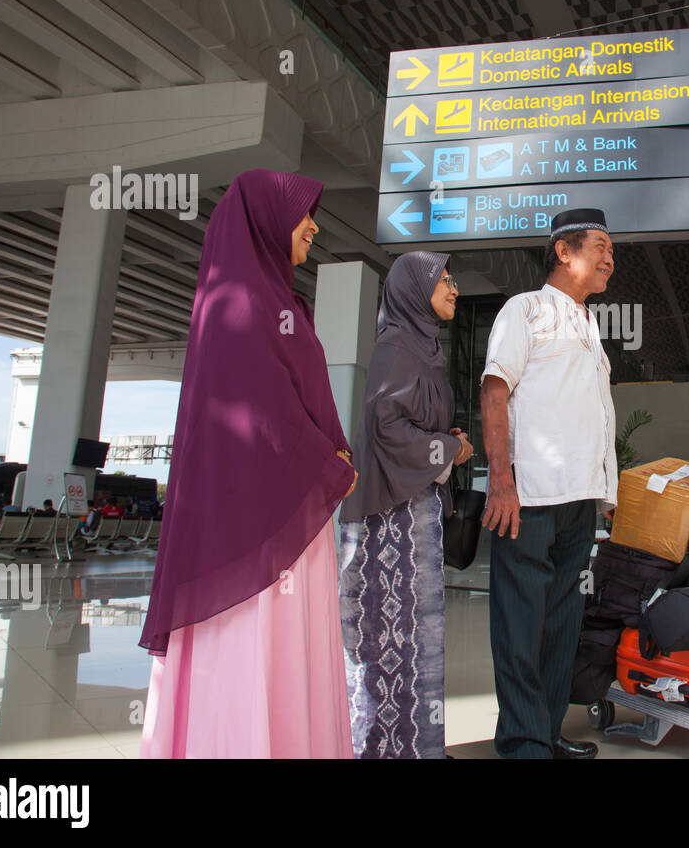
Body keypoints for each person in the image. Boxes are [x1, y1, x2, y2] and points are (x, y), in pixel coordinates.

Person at [138, 169, 357, 759]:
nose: (313, 226)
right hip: (256, 521)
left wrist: (327, 461)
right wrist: (328, 461)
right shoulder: (239, 302)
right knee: (252, 640)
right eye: (302, 213)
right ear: (265, 219)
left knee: (281, 650)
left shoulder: (274, 300)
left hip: (289, 515)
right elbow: (259, 415)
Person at [481, 208, 617, 759]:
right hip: (529, 496)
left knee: (562, 622)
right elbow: (495, 392)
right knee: (520, 622)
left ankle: (548, 728)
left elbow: (597, 413)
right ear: (564, 251)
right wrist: (500, 481)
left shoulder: (590, 324)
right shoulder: (525, 310)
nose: (611, 258)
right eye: (601, 246)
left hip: (580, 499)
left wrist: (606, 493)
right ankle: (521, 741)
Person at [338, 252, 472, 759]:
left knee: (417, 638)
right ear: (415, 290)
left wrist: (444, 440)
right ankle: (385, 749)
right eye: (444, 279)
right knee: (388, 641)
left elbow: (410, 424)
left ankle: (418, 746)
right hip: (389, 519)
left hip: (413, 512)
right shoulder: (397, 347)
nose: (454, 288)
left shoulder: (423, 349)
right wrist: (448, 448)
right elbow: (386, 427)